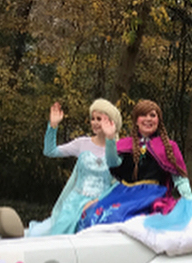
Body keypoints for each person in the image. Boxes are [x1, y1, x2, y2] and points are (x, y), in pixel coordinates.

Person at [76, 99, 192, 231]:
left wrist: (189, 201)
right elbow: (112, 163)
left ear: (158, 120)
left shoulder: (169, 147)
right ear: (136, 120)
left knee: (122, 216)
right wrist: (109, 140)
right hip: (125, 193)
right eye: (143, 115)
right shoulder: (126, 144)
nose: (148, 119)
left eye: (152, 115)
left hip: (153, 196)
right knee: (94, 215)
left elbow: (180, 179)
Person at [26, 99, 121, 236]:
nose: (94, 122)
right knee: (56, 233)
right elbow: (50, 151)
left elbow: (114, 167)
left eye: (99, 119)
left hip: (100, 205)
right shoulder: (82, 143)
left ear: (111, 122)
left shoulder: (118, 149)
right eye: (92, 118)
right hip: (74, 204)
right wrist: (53, 127)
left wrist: (110, 139)